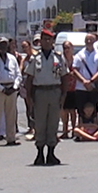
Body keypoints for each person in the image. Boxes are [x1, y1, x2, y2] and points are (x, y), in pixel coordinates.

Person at [24, 29, 69, 165]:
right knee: (40, 123)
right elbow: (29, 79)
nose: (47, 42)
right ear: (41, 42)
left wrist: (63, 95)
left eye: (49, 39)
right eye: (44, 39)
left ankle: (51, 153)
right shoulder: (35, 58)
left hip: (54, 91)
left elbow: (65, 77)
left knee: (53, 123)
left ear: (53, 41)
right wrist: (29, 98)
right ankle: (39, 153)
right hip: (40, 92)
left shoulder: (59, 57)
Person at [0, 37, 22, 146]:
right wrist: (1, 88)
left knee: (11, 115)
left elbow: (18, 74)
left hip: (12, 88)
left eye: (5, 44)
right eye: (1, 44)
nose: (3, 46)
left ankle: (11, 138)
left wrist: (15, 86)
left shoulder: (12, 58)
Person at [72, 33, 98, 120]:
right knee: (81, 110)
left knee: (94, 109)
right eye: (87, 40)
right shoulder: (79, 55)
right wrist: (84, 81)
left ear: (95, 41)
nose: (89, 41)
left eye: (91, 40)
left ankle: (94, 128)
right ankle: (81, 128)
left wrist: (91, 81)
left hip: (93, 88)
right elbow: (74, 69)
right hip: (80, 87)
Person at [60, 40, 77, 139]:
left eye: (68, 48)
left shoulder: (76, 60)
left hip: (74, 88)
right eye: (64, 48)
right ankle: (65, 131)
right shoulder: (61, 60)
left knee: (73, 111)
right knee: (64, 111)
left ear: (72, 48)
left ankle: (74, 130)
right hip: (64, 88)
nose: (66, 50)